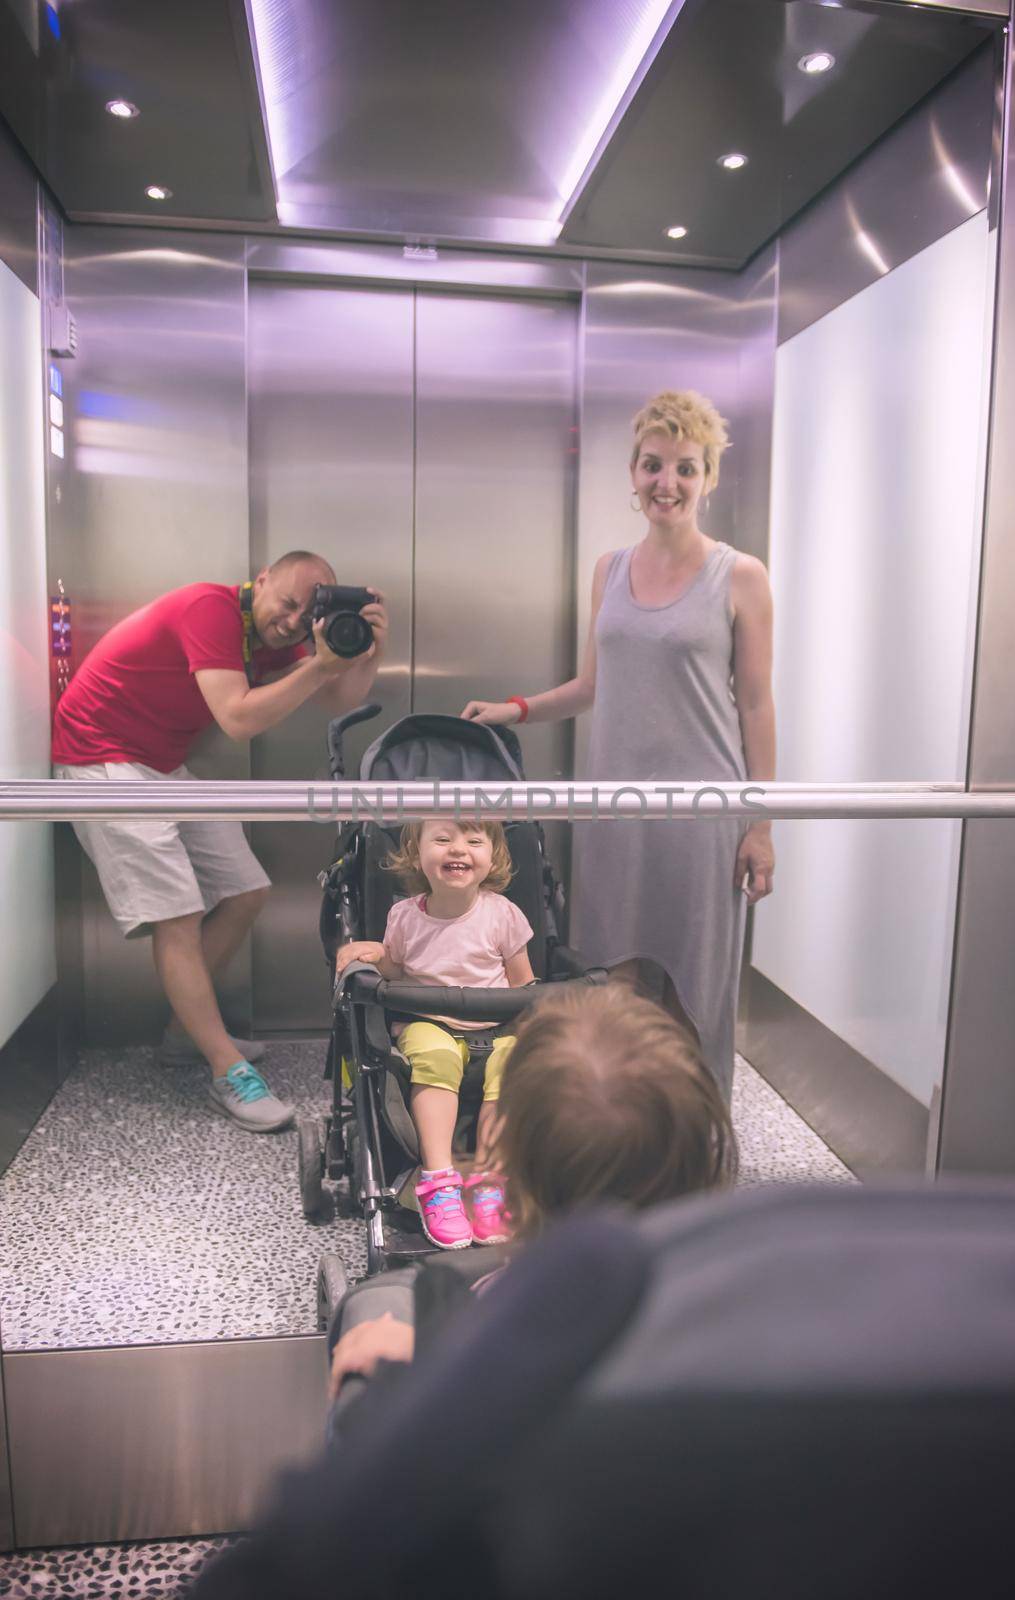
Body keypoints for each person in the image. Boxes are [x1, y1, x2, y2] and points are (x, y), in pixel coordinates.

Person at [462, 389, 775, 1100]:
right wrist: (512, 711)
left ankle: (697, 1141)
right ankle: (624, 1134)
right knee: (617, 982)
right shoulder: (608, 569)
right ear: (633, 473)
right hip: (614, 806)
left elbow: (756, 704)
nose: (667, 483)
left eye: (685, 469)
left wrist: (761, 823)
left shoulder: (741, 575)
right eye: (653, 465)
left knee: (692, 986)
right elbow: (592, 685)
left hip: (703, 811)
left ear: (708, 478)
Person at [52, 551, 387, 1131]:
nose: (293, 621)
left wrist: (364, 651)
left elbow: (338, 698)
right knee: (178, 917)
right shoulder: (211, 609)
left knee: (246, 890)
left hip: (157, 763)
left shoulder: (278, 640)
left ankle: (187, 1030)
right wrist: (317, 665)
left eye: (309, 613)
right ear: (260, 582)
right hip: (101, 759)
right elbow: (237, 718)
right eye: (286, 604)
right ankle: (225, 1067)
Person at [327, 982, 735, 1397]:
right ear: (707, 1158)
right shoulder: (724, 1313)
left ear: (516, 1182)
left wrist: (421, 1350)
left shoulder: (500, 1320)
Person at [334, 817, 535, 1249]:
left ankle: (489, 1179)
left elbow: (523, 985)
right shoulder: (404, 916)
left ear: (492, 857)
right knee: (434, 1056)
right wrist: (373, 954)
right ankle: (439, 1180)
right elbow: (395, 970)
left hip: (496, 1025)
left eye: (473, 841)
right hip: (428, 1023)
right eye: (442, 839)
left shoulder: (502, 914)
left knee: (516, 1064)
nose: (458, 849)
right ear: (417, 854)